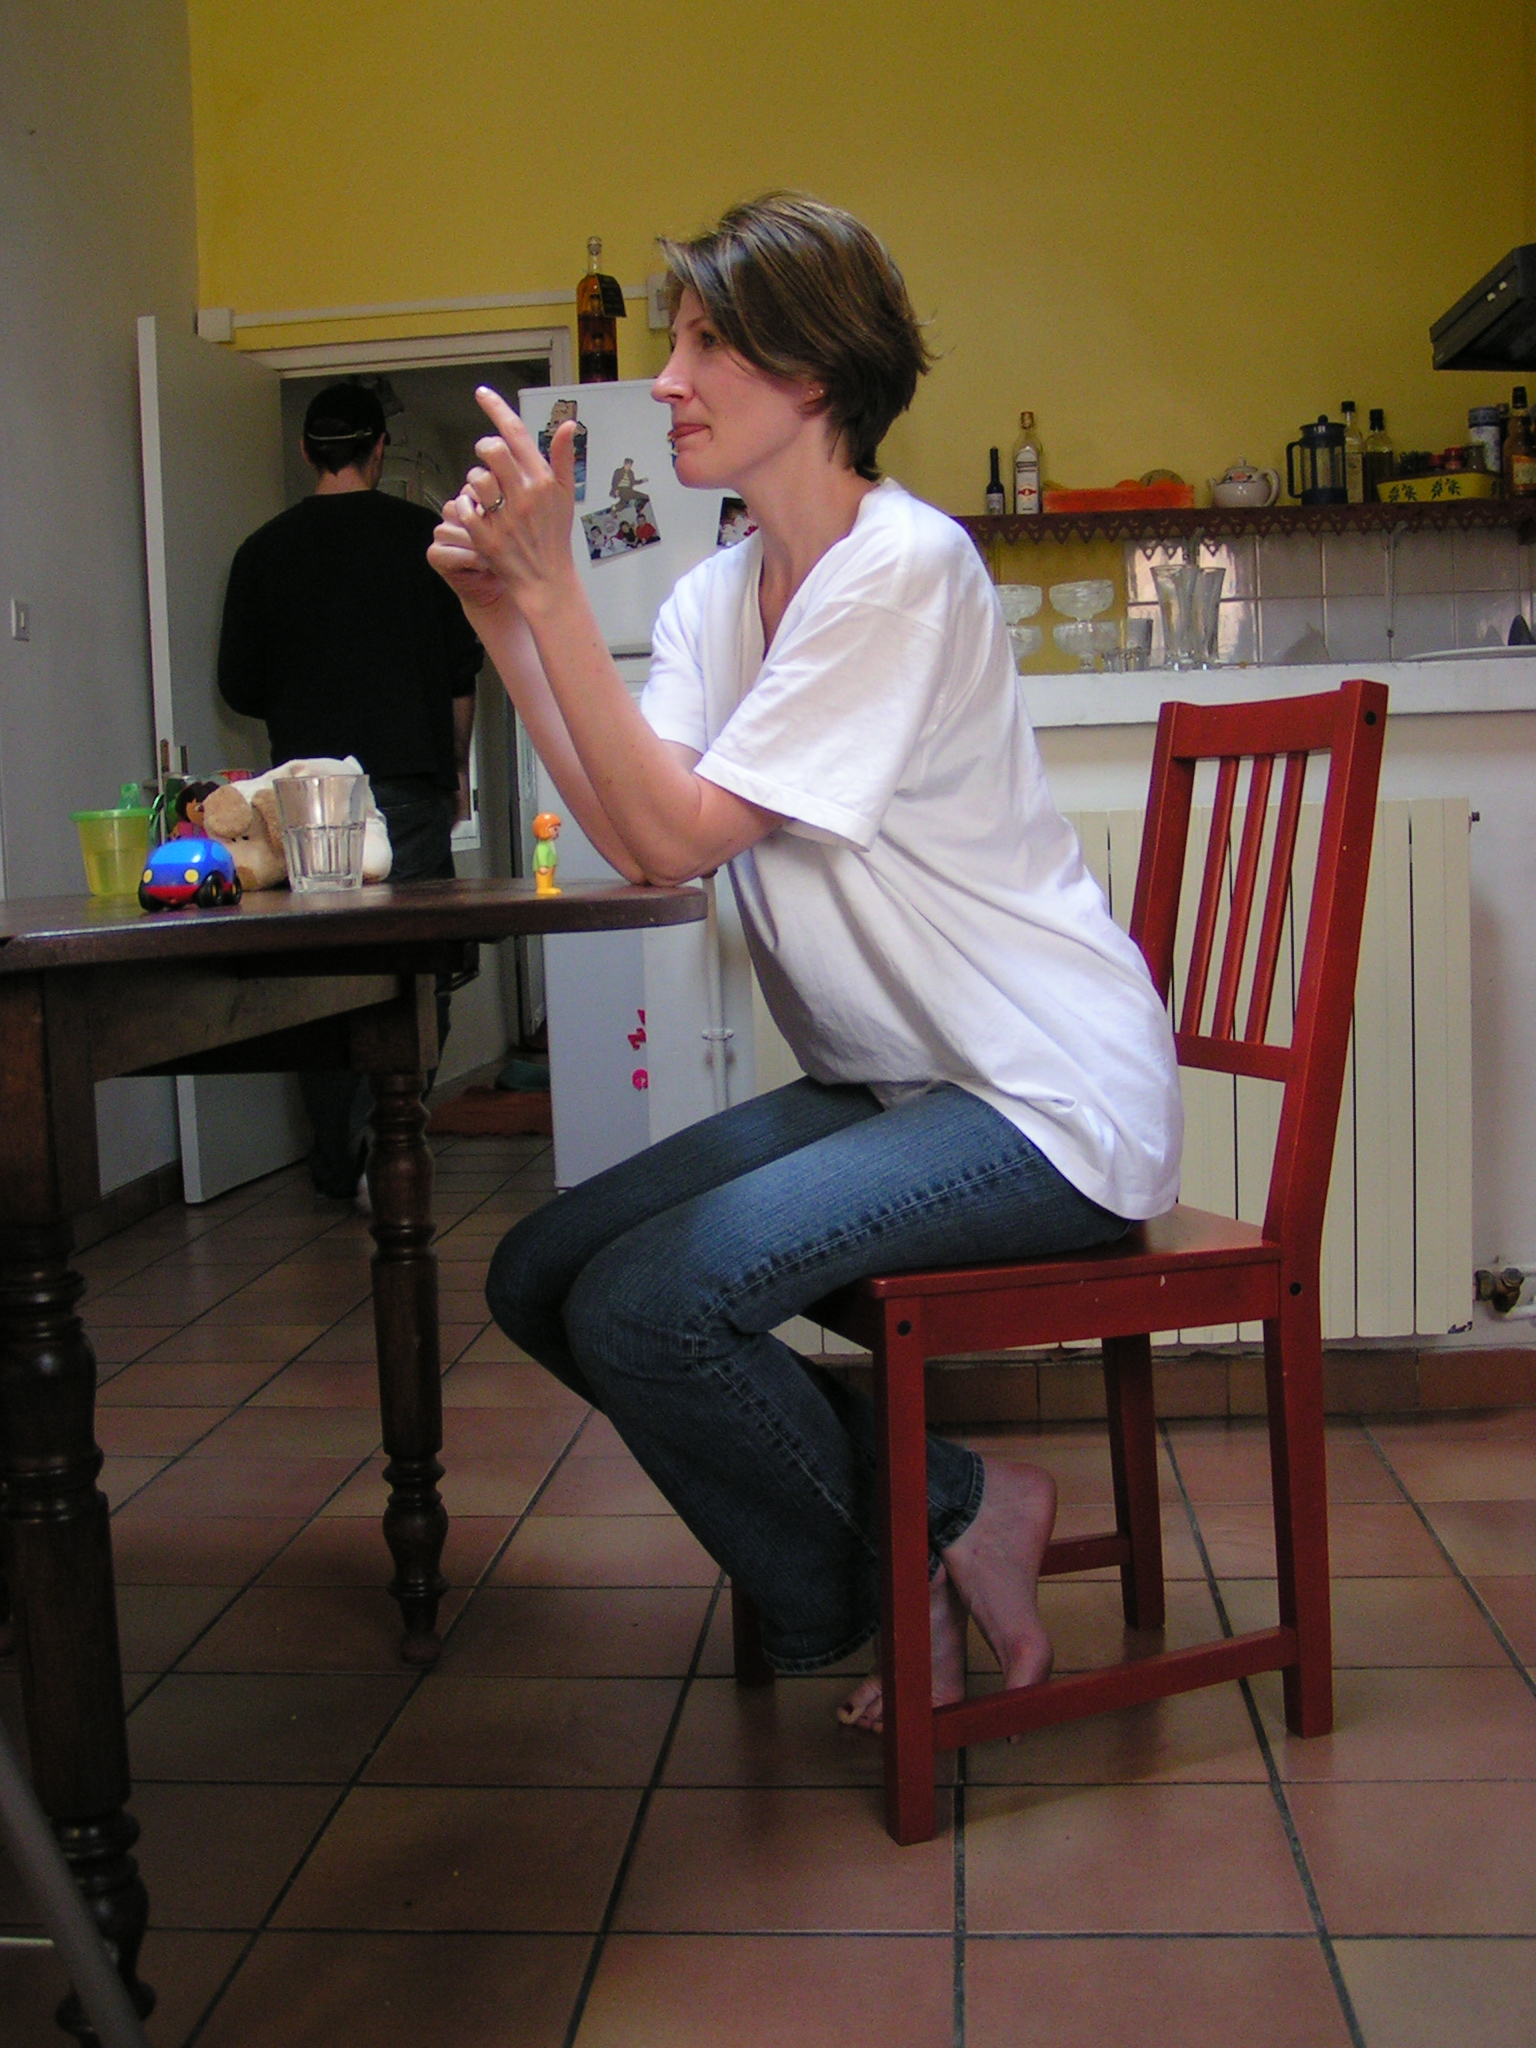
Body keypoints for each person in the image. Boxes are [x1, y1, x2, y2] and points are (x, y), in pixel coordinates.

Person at [427, 195, 1182, 1728]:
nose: (668, 381)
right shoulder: (714, 596)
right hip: (897, 1086)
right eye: (675, 343)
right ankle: (955, 1513)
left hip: (1046, 1099)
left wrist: (560, 589)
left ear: (815, 372)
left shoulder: (901, 569)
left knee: (647, 1308)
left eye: (708, 344)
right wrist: (510, 619)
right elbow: (648, 841)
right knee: (542, 1275)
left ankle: (890, 1592)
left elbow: (681, 831)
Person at [219, 381, 484, 1199]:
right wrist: (456, 775)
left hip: (305, 800)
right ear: (378, 449)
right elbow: (460, 676)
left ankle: (338, 1162)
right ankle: (391, 1143)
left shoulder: (262, 552)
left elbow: (239, 686)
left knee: (323, 977)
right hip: (406, 784)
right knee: (418, 968)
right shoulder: (423, 541)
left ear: (308, 452)